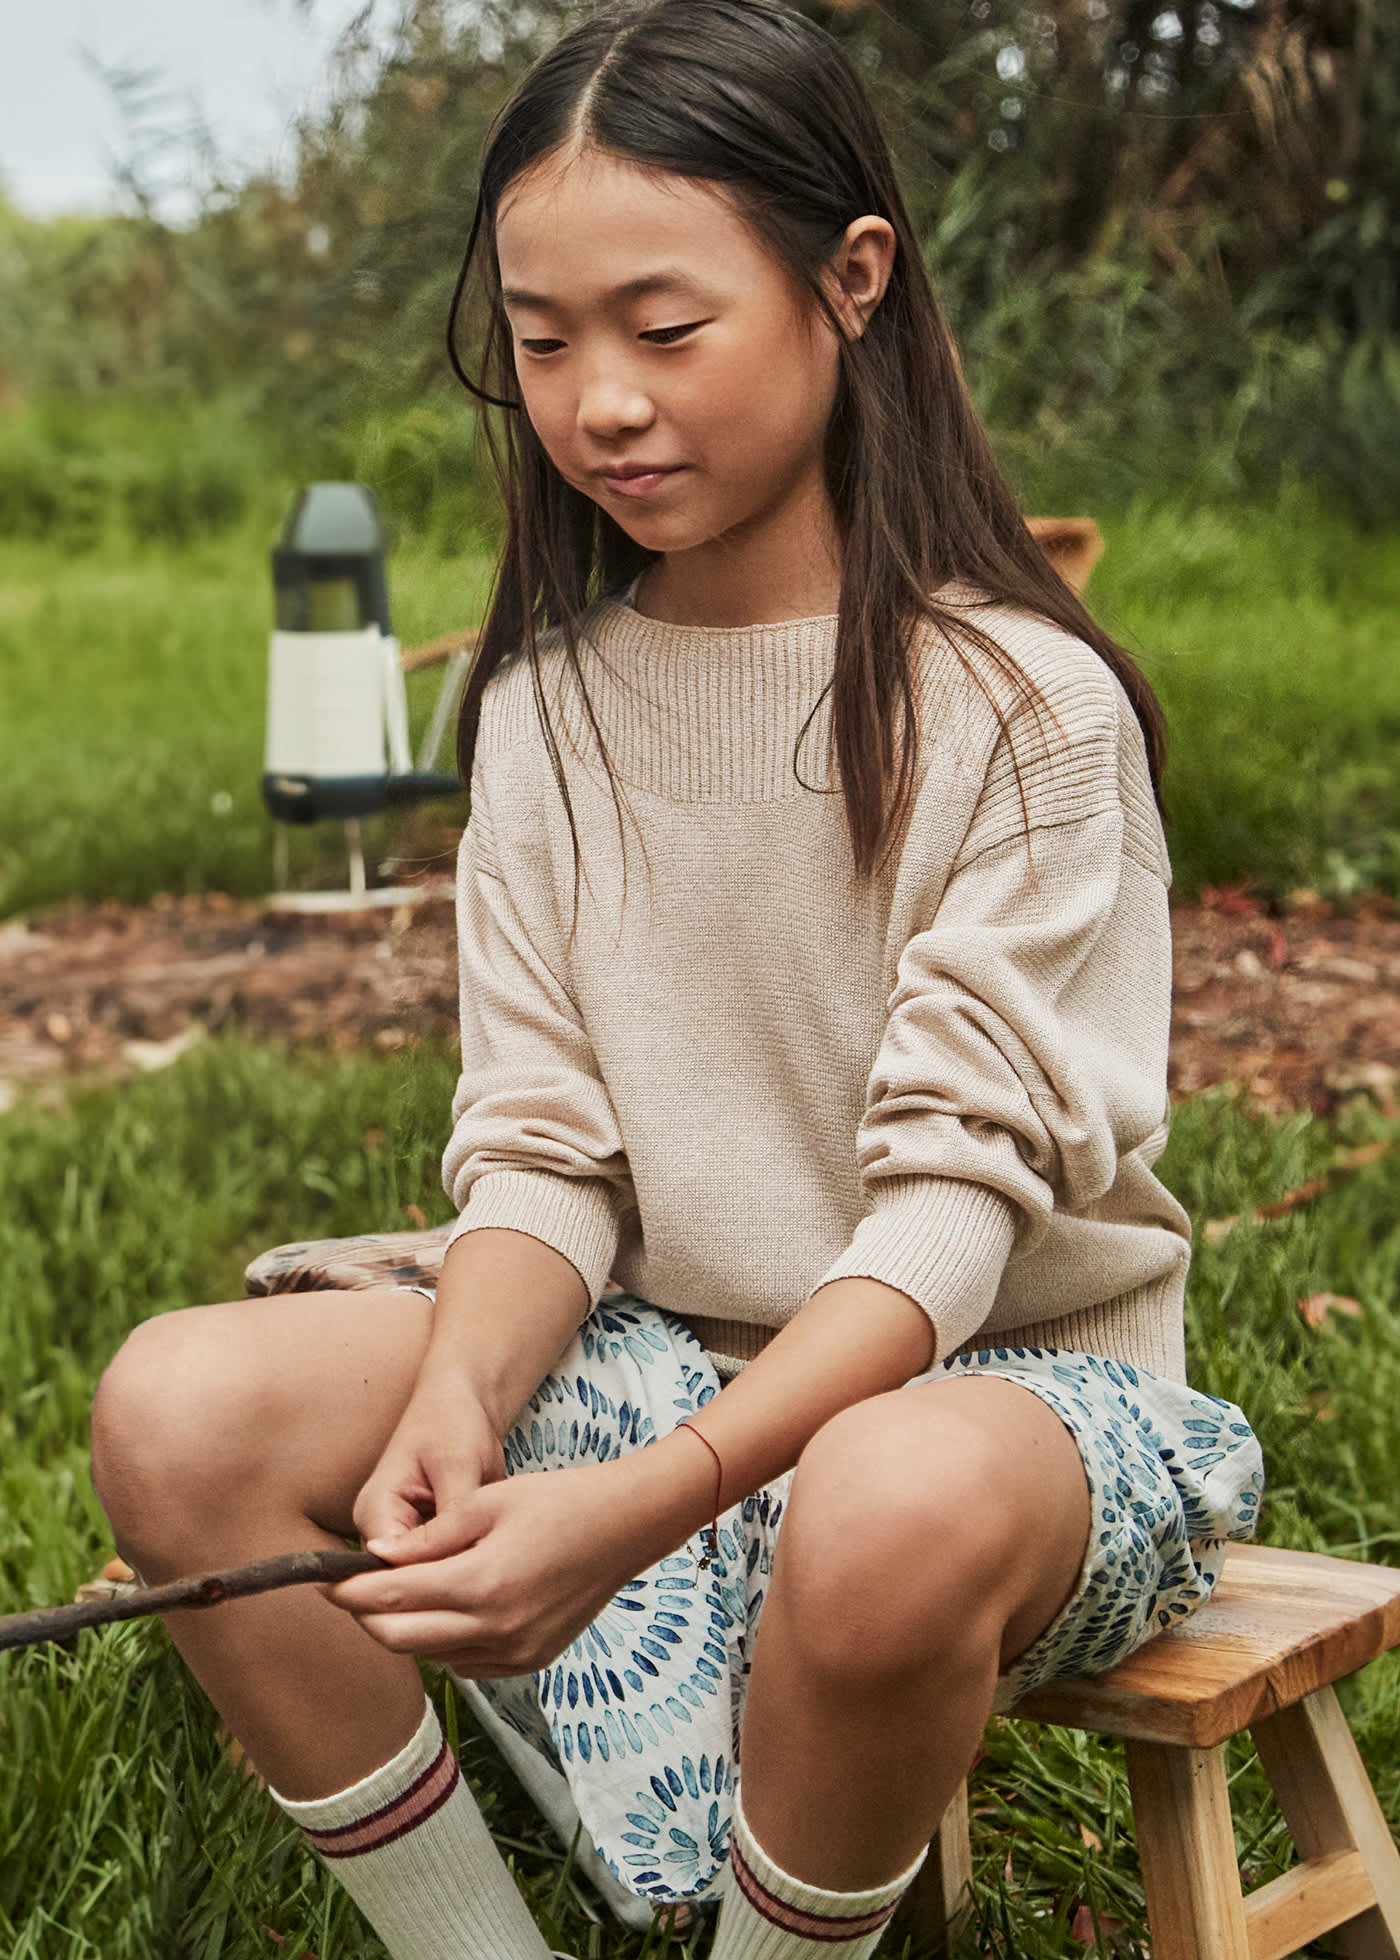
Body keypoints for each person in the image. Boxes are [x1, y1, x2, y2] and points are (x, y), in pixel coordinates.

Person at [91, 4, 1265, 1957]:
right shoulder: (544, 713)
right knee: (176, 1403)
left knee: (876, 1493)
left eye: (662, 326)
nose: (598, 400)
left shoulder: (1026, 710)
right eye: (542, 343)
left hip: (1003, 1406)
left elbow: (947, 1223)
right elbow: (545, 1158)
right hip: (656, 1361)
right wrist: (465, 1393)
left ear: (849, 281)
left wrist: (644, 1502)